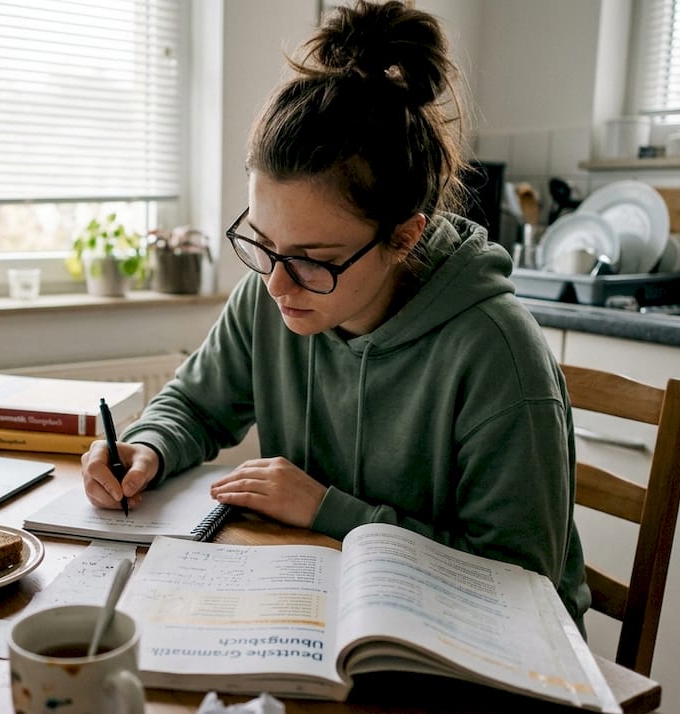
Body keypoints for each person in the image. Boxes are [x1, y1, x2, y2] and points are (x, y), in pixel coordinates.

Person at [80, 0, 589, 630]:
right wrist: (147, 447)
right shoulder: (272, 293)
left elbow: (520, 581)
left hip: (481, 648)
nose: (275, 283)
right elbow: (194, 405)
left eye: (313, 259)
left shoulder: (496, 354)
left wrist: (328, 510)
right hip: (320, 608)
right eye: (262, 244)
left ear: (404, 236)